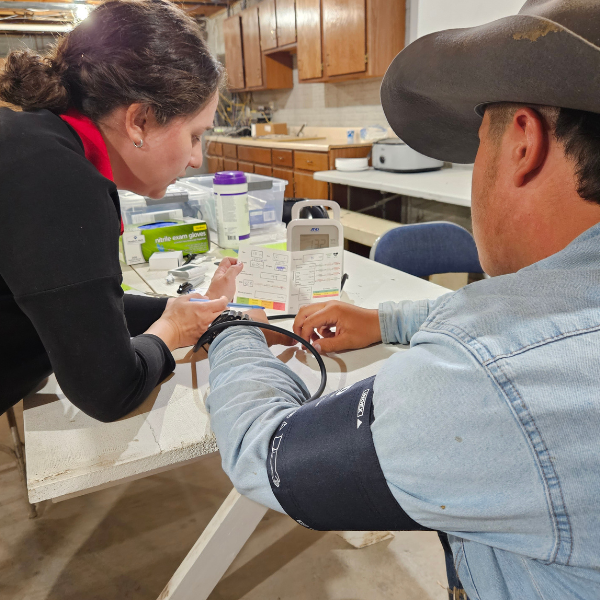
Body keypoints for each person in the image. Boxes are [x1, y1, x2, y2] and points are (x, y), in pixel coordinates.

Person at [203, 1, 600, 598]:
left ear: (522, 140)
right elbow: (543, 323)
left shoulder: (484, 379)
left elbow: (265, 453)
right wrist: (388, 320)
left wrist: (233, 328)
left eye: (477, 142)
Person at [0, 0, 242, 422]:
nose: (196, 159)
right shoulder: (56, 178)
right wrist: (171, 332)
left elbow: (84, 307)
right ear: (140, 121)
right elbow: (110, 389)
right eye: (195, 135)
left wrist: (180, 308)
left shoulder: (36, 144)